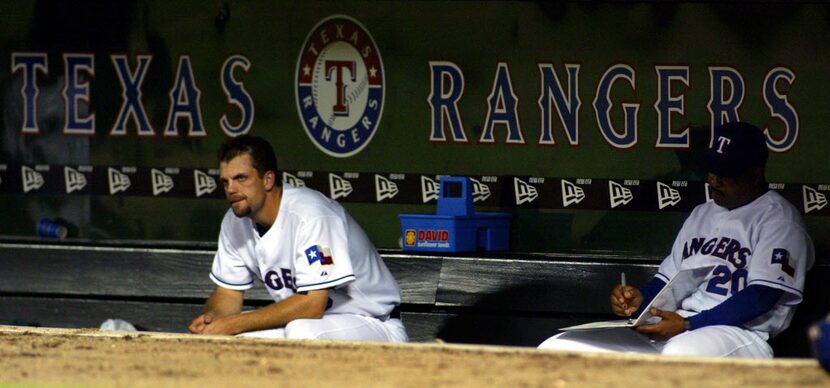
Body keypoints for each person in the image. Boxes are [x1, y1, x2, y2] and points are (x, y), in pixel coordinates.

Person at [538, 122, 814, 358]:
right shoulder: (701, 214)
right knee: (559, 348)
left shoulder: (779, 219)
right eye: (711, 171)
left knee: (679, 356)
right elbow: (668, 280)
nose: (714, 180)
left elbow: (762, 296)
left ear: (756, 174)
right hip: (679, 326)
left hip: (740, 334)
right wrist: (641, 300)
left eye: (725, 174)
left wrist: (688, 324)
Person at [188, 135, 408, 342]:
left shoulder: (312, 215)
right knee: (236, 341)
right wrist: (214, 319)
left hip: (374, 322)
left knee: (300, 331)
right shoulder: (234, 221)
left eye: (241, 178)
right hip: (315, 323)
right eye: (225, 182)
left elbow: (313, 305)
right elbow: (228, 294)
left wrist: (233, 324)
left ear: (267, 179)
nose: (231, 189)